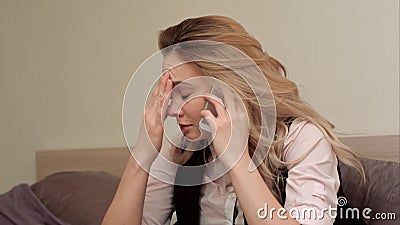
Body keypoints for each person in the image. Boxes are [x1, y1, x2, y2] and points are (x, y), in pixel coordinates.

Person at [102, 15, 365, 225]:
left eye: (183, 91)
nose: (170, 109)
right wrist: (141, 158)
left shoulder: (301, 139)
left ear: (226, 87)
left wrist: (237, 159)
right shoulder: (181, 151)